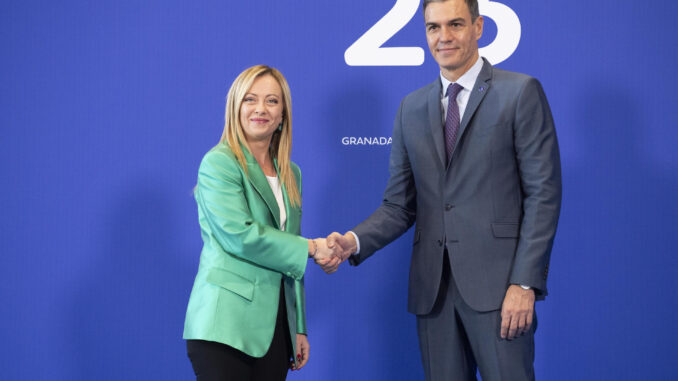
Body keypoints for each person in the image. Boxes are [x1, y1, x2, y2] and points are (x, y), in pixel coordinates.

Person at [325, 0, 562, 379]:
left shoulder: (519, 93)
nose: (444, 37)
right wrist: (353, 241)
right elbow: (398, 206)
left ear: (479, 27)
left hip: (501, 290)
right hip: (432, 294)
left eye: (455, 24)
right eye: (433, 27)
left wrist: (525, 282)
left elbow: (543, 195)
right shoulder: (410, 108)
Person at [183, 65, 336, 381]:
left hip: (275, 330)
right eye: (250, 100)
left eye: (272, 101)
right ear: (235, 107)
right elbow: (240, 236)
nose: (260, 109)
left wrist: (299, 326)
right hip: (223, 327)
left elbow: (287, 254)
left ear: (283, 115)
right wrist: (313, 248)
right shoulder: (219, 163)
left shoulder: (291, 174)